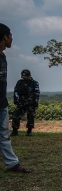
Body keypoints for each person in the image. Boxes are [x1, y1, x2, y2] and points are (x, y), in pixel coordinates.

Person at [0, 24, 31, 173]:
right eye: (10, 35)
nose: (12, 38)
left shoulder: (2, 56)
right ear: (5, 37)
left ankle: (11, 163)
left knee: (5, 134)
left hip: (1, 103)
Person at [11, 69, 40, 137]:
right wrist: (16, 100)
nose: (24, 78)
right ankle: (15, 131)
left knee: (30, 117)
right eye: (23, 76)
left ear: (29, 75)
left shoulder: (34, 83)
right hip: (21, 102)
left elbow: (37, 93)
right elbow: (16, 91)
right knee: (16, 116)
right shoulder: (20, 82)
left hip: (30, 103)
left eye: (26, 76)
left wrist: (36, 102)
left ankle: (29, 131)